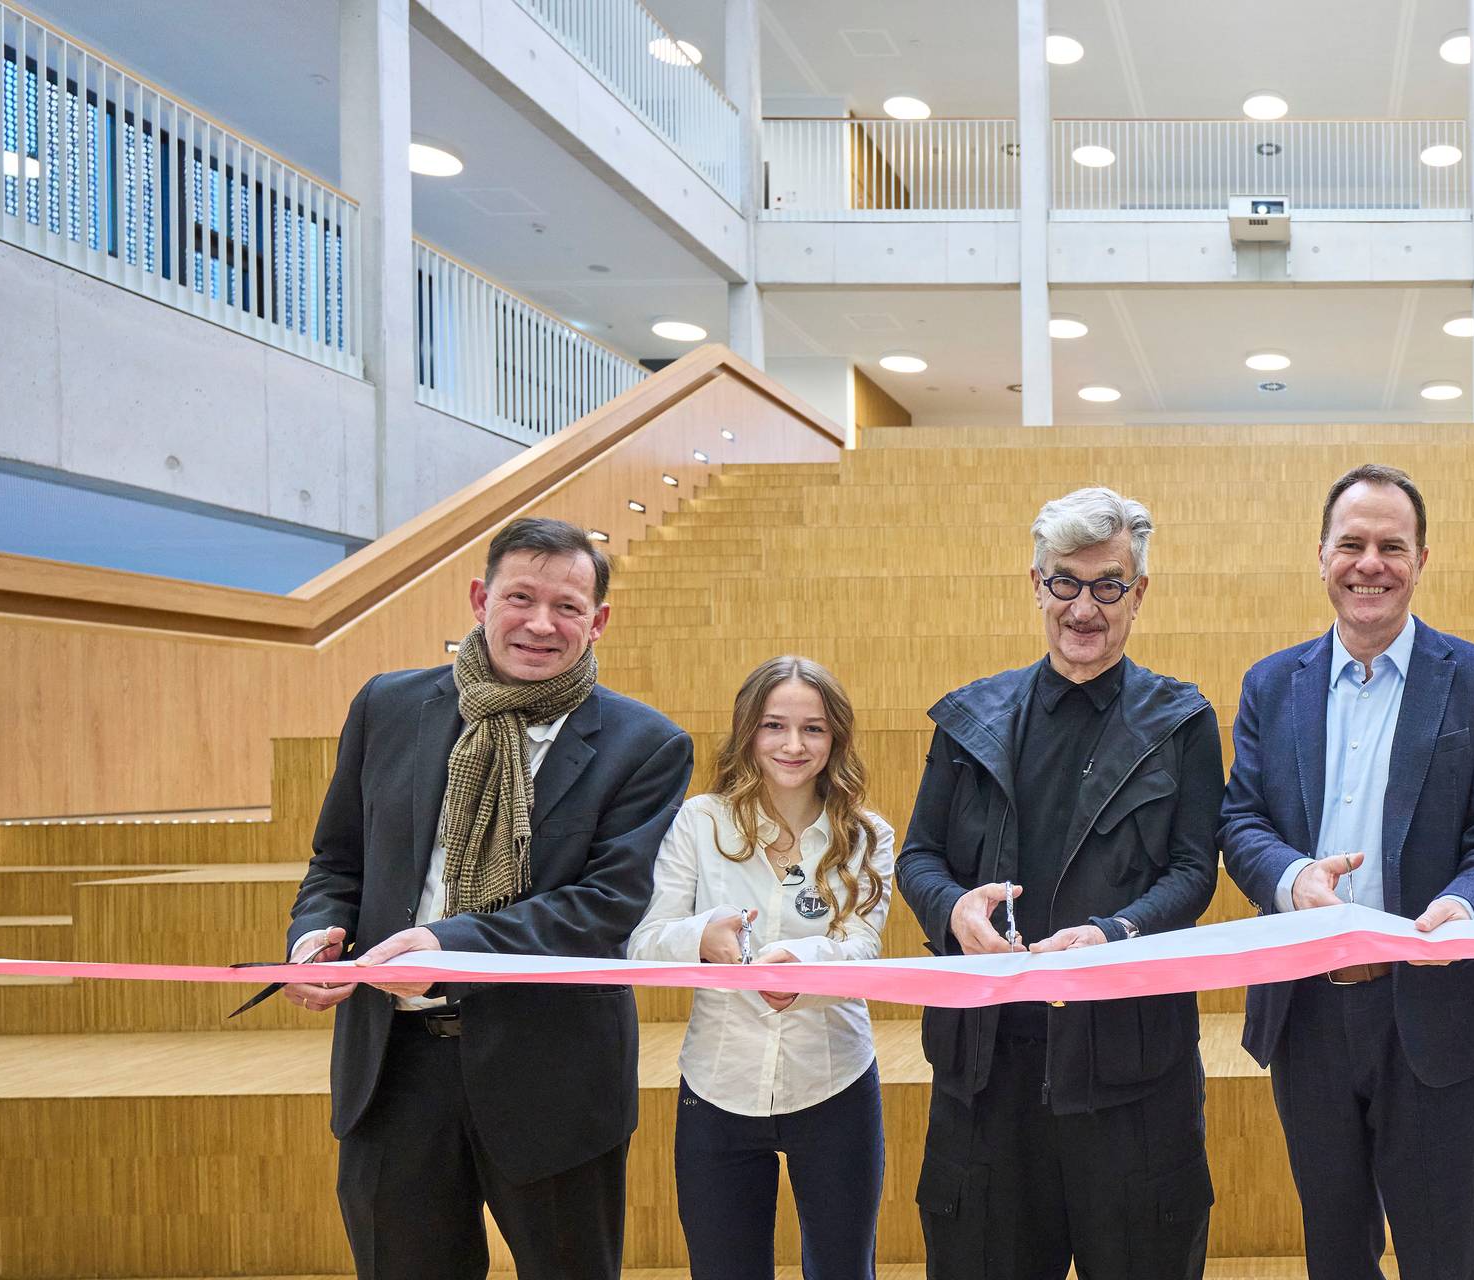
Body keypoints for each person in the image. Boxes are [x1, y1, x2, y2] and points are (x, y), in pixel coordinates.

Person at [283, 516, 695, 1280]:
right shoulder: (387, 707)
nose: (541, 624)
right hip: (392, 1070)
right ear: (480, 599)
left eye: (568, 607)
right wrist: (314, 936)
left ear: (598, 621)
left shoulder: (647, 745)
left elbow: (608, 904)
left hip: (553, 1073)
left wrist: (449, 944)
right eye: (521, 597)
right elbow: (338, 863)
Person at [894, 486, 1222, 1280]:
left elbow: (1192, 873)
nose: (1084, 608)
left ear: (1137, 594)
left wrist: (1114, 933)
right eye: (1064, 583)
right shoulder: (967, 719)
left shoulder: (1182, 721)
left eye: (1107, 585)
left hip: (1132, 1072)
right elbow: (919, 857)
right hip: (987, 1071)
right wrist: (951, 908)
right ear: (1035, 584)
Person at [1222, 463, 1474, 1280]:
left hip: (1432, 1011)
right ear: (1321, 556)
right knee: (1334, 1252)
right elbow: (1241, 822)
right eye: (1351, 544)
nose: (1371, 564)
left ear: (1422, 559)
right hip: (1308, 1014)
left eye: (1391, 546)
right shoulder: (1269, 683)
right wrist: (1295, 882)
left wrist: (1465, 906)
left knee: (1442, 1257)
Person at [629, 656, 897, 1280]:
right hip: (718, 1085)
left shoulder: (866, 835)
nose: (794, 745)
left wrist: (798, 964)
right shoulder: (699, 822)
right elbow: (644, 943)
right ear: (748, 731)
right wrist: (702, 937)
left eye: (815, 729)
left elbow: (861, 949)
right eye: (775, 726)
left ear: (837, 738)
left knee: (843, 1268)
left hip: (835, 1080)